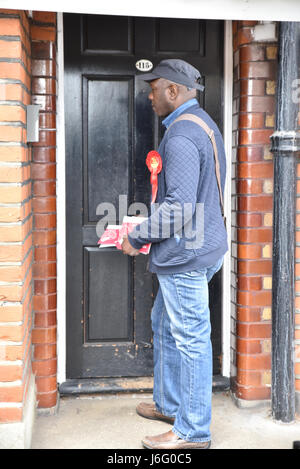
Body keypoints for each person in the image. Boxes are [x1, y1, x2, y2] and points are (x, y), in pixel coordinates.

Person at [122, 59, 228, 450]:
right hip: (206, 247)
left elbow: (180, 207)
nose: (148, 96)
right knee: (164, 324)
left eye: (154, 89)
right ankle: (170, 405)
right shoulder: (204, 124)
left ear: (173, 91)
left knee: (191, 339)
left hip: (185, 256)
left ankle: (192, 431)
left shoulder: (182, 135)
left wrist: (138, 234)